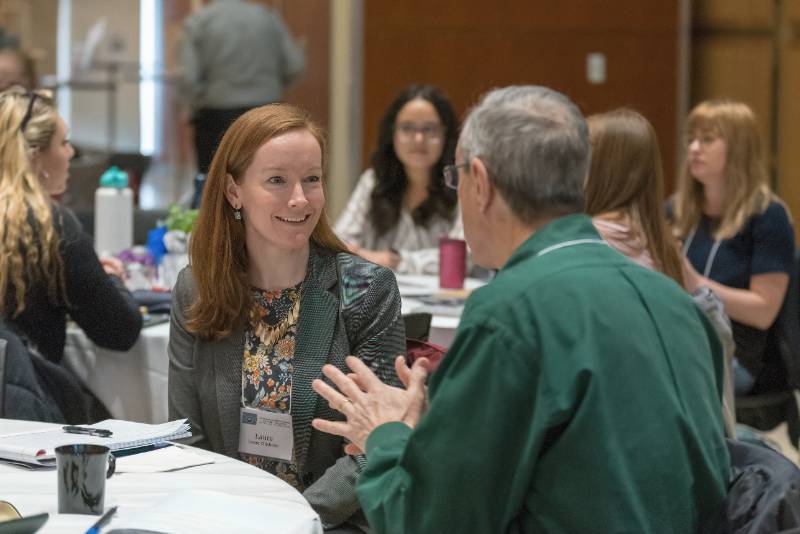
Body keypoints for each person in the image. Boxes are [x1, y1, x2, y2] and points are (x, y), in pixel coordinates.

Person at [311, 86, 730, 533]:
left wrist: (386, 435)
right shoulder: (674, 301)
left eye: (456, 180)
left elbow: (432, 520)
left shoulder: (508, 313)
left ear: (482, 182)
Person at [168, 103, 404, 532]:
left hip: (332, 522)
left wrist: (289, 519)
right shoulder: (197, 289)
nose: (299, 199)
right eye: (277, 180)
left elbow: (375, 447)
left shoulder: (365, 290)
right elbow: (187, 436)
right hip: (222, 518)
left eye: (311, 179)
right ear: (234, 191)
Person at [585, 108, 737, 436]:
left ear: (601, 170)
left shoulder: (593, 241)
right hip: (678, 423)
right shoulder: (659, 239)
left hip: (629, 424)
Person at [0, 88, 142, 423]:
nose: (71, 152)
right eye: (63, 143)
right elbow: (120, 330)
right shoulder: (48, 226)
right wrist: (111, 278)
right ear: (35, 155)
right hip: (21, 421)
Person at [672, 100, 795, 396]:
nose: (694, 149)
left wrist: (697, 284)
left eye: (707, 139)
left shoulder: (767, 216)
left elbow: (764, 310)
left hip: (737, 357)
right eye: (691, 140)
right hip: (680, 340)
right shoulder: (675, 211)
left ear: (739, 149)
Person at [335, 85, 461, 274]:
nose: (418, 139)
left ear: (446, 135)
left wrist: (393, 261)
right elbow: (339, 246)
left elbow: (465, 258)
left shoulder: (462, 184)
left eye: (430, 129)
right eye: (407, 128)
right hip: (379, 298)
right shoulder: (373, 181)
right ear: (392, 133)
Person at [178, 0, 305, 175]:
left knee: (215, 182)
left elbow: (189, 78)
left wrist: (195, 105)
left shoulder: (199, 21)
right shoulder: (268, 18)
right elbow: (295, 66)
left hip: (217, 115)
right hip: (267, 114)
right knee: (270, 176)